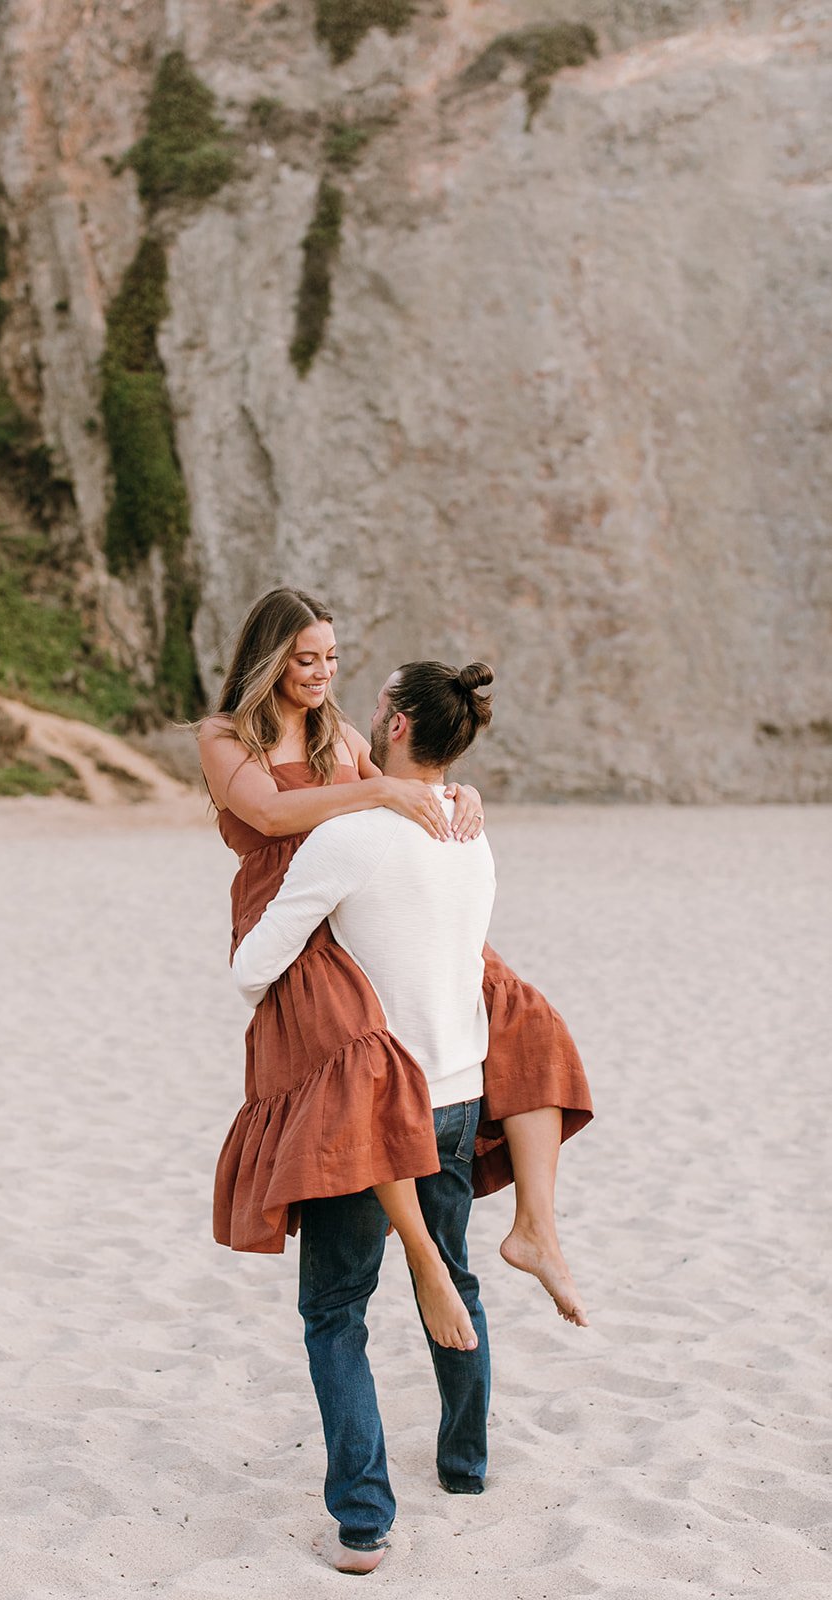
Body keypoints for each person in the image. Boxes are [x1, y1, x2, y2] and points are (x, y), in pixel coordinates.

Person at [198, 588, 592, 1330]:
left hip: (362, 896)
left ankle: (537, 1227)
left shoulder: (339, 733)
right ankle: (421, 1255)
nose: (321, 673)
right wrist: (382, 788)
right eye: (304, 659)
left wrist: (451, 792)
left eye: (332, 658)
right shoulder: (223, 735)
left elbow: (395, 797)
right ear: (268, 658)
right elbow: (271, 814)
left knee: (518, 1008)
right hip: (285, 914)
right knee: (361, 1062)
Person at [230, 658, 501, 1571]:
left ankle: (363, 1518)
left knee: (335, 1311)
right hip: (460, 1092)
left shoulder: (349, 837)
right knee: (452, 1276)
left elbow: (251, 966)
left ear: (389, 726)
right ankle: (464, 1464)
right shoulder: (471, 831)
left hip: (372, 1106)